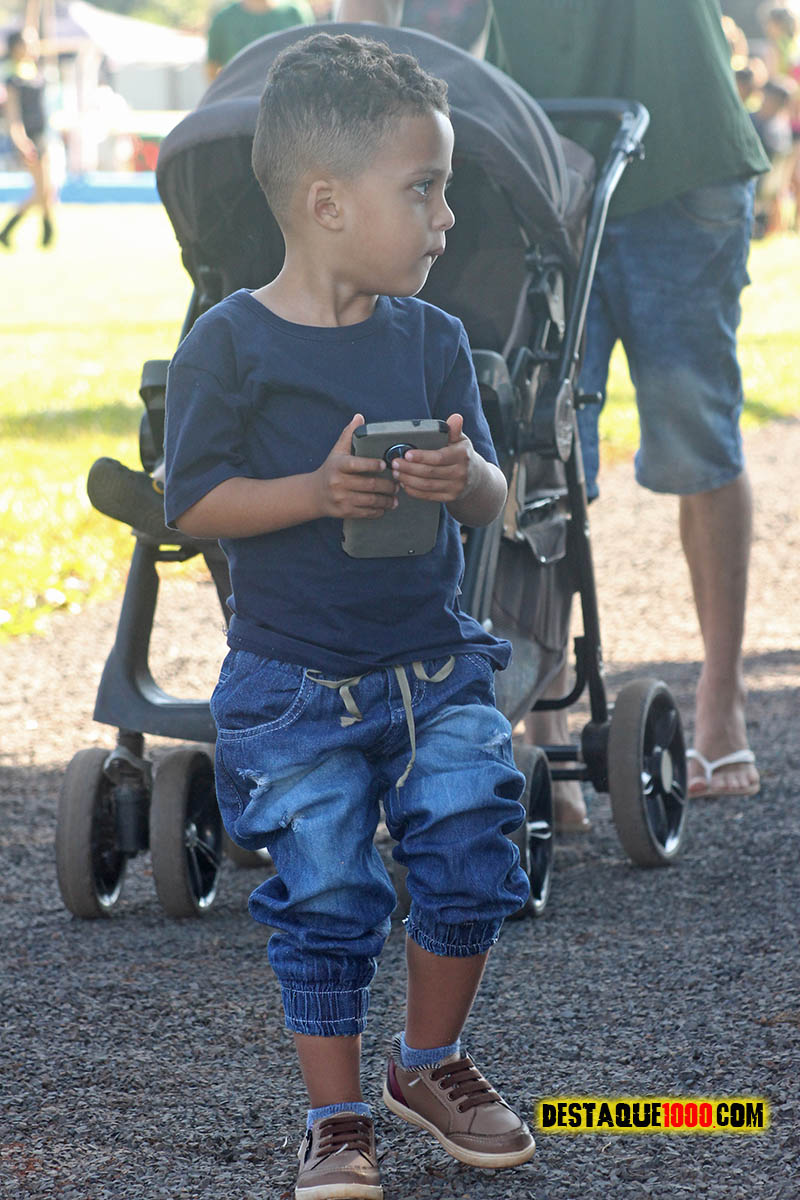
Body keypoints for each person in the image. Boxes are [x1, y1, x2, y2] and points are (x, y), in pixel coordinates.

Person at [164, 32, 535, 1199]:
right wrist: (316, 493)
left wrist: (459, 479)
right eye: (422, 189)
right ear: (326, 203)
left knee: (472, 851)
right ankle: (334, 1121)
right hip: (290, 683)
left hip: (433, 668)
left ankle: (427, 1061)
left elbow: (493, 494)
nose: (446, 218)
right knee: (325, 897)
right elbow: (195, 502)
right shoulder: (227, 344)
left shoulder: (433, 340)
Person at [338, 0, 767, 803]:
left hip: (682, 146)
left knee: (697, 434)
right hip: (535, 158)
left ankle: (722, 696)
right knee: (540, 438)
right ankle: (545, 722)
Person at [1, 27, 55, 249]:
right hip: (29, 140)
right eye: (27, 43)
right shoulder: (13, 79)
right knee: (43, 189)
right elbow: (14, 118)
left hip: (43, 136)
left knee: (47, 189)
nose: (32, 46)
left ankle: (45, 230)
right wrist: (22, 143)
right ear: (16, 48)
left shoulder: (36, 71)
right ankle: (38, 229)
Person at [206, 0, 314, 80]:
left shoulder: (295, 13)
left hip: (287, 99)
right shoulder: (223, 19)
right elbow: (213, 69)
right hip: (241, 98)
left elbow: (312, 62)